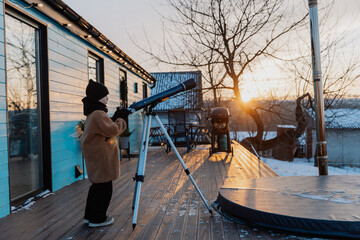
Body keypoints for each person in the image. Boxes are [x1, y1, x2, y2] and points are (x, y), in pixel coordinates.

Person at [81, 79, 129, 227]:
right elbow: (113, 130)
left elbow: (105, 128)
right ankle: (98, 218)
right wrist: (122, 118)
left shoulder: (93, 113)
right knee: (104, 189)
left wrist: (115, 117)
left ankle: (90, 216)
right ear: (97, 97)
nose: (107, 98)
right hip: (102, 159)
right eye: (105, 95)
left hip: (96, 157)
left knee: (96, 188)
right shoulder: (98, 114)